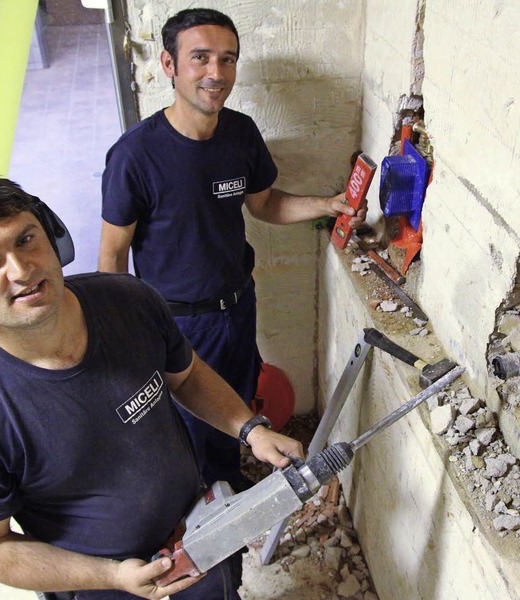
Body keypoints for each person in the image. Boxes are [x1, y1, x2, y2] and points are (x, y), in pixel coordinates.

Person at [0, 175, 304, 600]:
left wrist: (251, 429)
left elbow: (187, 375)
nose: (22, 270)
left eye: (26, 239)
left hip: (201, 535)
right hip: (101, 587)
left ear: (52, 236)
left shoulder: (129, 301)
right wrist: (113, 576)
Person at [98, 8, 367, 491]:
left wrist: (330, 205)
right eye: (199, 58)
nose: (215, 73)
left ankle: (226, 490)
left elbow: (265, 204)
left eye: (227, 59)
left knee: (237, 409)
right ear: (168, 64)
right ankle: (203, 514)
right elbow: (112, 257)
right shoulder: (134, 155)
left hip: (238, 307)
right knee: (190, 428)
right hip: (176, 321)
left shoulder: (240, 133)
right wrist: (125, 338)